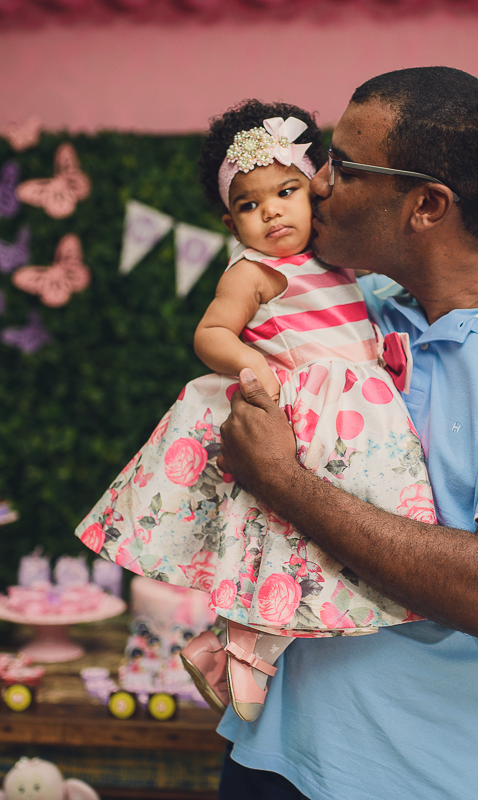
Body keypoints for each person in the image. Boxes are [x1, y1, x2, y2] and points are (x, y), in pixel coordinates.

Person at [214, 68, 478, 800]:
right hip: (265, 758)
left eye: (343, 167)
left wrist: (282, 479)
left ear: (427, 205)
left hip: (421, 781)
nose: (315, 183)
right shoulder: (355, 306)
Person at [75, 100, 432, 724]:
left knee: (342, 544)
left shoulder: (335, 256)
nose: (271, 211)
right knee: (298, 539)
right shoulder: (254, 272)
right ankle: (242, 646)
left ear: (315, 193)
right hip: (313, 415)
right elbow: (210, 333)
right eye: (249, 204)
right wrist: (251, 364)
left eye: (287, 191)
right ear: (229, 221)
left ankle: (226, 646)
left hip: (362, 417)